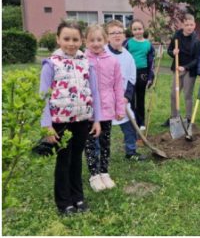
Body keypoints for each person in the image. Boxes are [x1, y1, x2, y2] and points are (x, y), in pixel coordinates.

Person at [39, 20, 102, 215]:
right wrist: (46, 125)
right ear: (58, 39)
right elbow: (42, 97)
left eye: (75, 39)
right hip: (60, 123)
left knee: (76, 160)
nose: (71, 43)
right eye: (66, 39)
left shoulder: (87, 63)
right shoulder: (51, 64)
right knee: (64, 160)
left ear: (81, 41)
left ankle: (78, 197)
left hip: (82, 121)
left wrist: (96, 119)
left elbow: (94, 92)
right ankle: (64, 202)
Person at [83, 24, 125, 192]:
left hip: (107, 109)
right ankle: (94, 174)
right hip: (88, 110)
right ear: (86, 41)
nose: (96, 43)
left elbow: (118, 86)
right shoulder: (82, 60)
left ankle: (104, 172)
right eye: (92, 40)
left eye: (99, 39)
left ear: (105, 40)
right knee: (90, 144)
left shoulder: (113, 61)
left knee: (105, 142)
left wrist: (120, 108)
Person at [104, 20, 141, 161]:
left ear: (124, 35)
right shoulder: (102, 53)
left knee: (130, 126)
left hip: (122, 100)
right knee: (103, 129)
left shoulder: (128, 56)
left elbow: (131, 79)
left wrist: (126, 97)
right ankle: (102, 154)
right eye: (113, 33)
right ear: (107, 36)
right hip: (105, 101)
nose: (117, 35)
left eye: (119, 32)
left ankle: (131, 151)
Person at [168, 14, 200, 125]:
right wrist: (173, 52)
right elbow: (169, 50)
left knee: (187, 95)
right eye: (186, 25)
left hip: (189, 71)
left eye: (191, 25)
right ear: (182, 25)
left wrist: (185, 67)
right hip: (177, 69)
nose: (189, 27)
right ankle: (174, 117)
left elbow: (197, 59)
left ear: (194, 25)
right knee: (174, 94)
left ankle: (188, 118)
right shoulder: (177, 36)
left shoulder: (196, 41)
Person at [125, 19, 154, 130]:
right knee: (131, 98)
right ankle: (133, 121)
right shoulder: (127, 43)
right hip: (130, 73)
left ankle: (141, 122)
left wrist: (150, 77)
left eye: (139, 29)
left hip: (142, 74)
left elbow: (151, 62)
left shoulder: (148, 45)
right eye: (135, 29)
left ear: (143, 29)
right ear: (131, 31)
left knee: (140, 99)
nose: (137, 31)